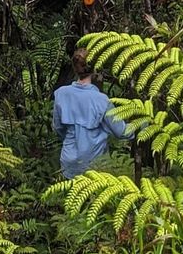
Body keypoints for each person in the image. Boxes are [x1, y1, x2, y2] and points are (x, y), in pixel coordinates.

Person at [53, 49, 128, 178]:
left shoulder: (61, 94)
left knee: (71, 197)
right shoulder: (102, 100)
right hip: (95, 164)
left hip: (68, 162)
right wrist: (142, 126)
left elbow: (58, 127)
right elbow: (121, 132)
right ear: (95, 69)